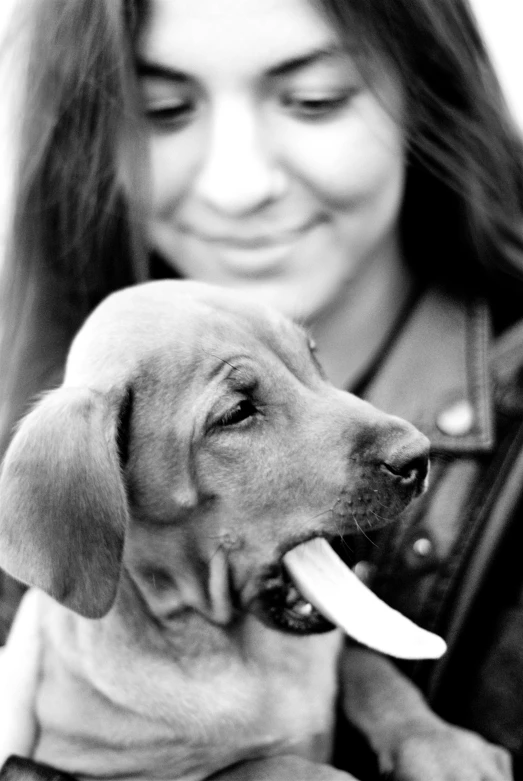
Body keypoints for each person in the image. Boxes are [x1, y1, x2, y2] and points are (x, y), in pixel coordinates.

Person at [0, 0, 523, 778]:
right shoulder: (64, 442)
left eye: (313, 99)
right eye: (163, 110)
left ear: (428, 93)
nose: (239, 185)